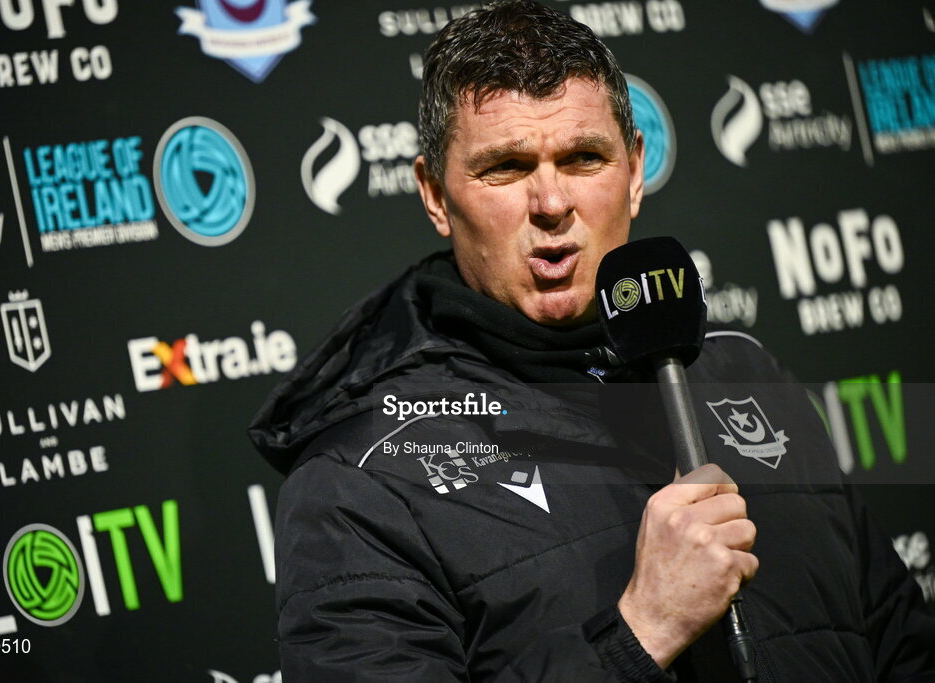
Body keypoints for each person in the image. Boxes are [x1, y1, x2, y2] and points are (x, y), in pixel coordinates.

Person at [248, 1, 935, 680]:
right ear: (433, 193)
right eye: (507, 168)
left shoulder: (741, 369)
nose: (551, 204)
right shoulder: (359, 481)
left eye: (583, 158)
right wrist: (643, 630)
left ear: (635, 171)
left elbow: (901, 643)